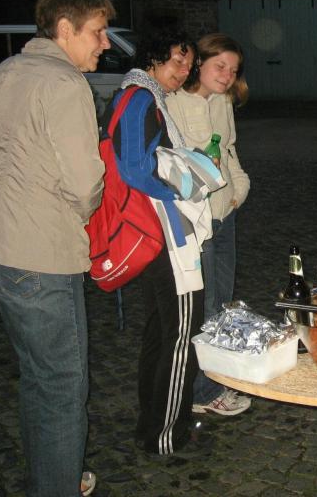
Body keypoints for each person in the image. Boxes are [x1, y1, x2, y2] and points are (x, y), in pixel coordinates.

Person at [0, 0, 114, 496]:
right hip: (39, 255)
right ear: (65, 29)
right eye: (97, 31)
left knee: (38, 375)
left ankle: (52, 475)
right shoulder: (65, 83)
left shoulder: (5, 71)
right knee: (63, 384)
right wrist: (73, 209)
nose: (104, 43)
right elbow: (85, 183)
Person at [107, 29, 203, 454]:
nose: (183, 71)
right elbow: (132, 168)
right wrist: (179, 189)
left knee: (160, 331)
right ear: (153, 57)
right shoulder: (139, 98)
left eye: (188, 65)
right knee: (182, 333)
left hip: (154, 232)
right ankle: (166, 433)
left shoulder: (140, 96)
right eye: (177, 60)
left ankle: (152, 423)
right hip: (162, 232)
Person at [167, 33, 252, 416]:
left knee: (222, 302)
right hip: (193, 220)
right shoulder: (172, 102)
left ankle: (213, 382)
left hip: (224, 214)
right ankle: (203, 392)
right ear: (199, 63)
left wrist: (240, 189)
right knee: (204, 306)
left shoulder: (223, 102)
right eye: (220, 66)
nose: (227, 76)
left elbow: (229, 150)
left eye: (233, 70)